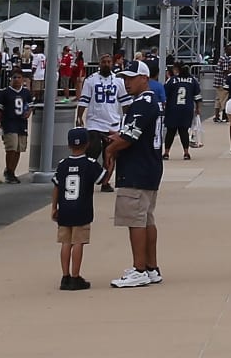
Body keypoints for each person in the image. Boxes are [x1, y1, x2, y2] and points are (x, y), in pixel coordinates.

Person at [105, 60, 165, 287]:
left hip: (137, 169)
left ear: (144, 78)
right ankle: (151, 267)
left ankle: (139, 269)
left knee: (135, 220)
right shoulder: (152, 102)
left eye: (130, 78)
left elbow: (130, 137)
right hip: (150, 166)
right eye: (124, 78)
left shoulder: (143, 103)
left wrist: (110, 149)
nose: (126, 82)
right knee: (146, 218)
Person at [52, 127, 107, 290]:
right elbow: (103, 179)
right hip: (82, 209)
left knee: (65, 242)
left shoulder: (63, 164)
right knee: (78, 243)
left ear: (69, 145)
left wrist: (54, 207)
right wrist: (110, 162)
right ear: (88, 144)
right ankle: (76, 277)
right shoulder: (89, 164)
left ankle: (65, 276)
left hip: (65, 209)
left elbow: (56, 187)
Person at [76, 51, 126, 188]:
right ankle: (89, 177)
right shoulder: (91, 80)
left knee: (110, 155)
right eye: (104, 62)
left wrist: (127, 120)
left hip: (113, 123)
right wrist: (79, 116)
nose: (106, 64)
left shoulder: (118, 80)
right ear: (99, 64)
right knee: (93, 150)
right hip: (95, 122)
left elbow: (125, 102)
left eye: (109, 62)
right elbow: (84, 100)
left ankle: (105, 181)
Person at [0, 68, 34, 183]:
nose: (17, 80)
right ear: (10, 79)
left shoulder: (26, 93)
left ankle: (12, 170)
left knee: (19, 148)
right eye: (14, 77)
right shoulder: (5, 93)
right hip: (9, 123)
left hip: (21, 123)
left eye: (19, 77)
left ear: (23, 79)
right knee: (11, 147)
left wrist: (28, 112)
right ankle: (9, 171)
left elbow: (30, 105)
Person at [162, 62, 201, 160]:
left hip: (173, 108)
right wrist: (198, 108)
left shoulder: (172, 80)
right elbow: (197, 96)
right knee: (184, 131)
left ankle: (166, 153)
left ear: (177, 70)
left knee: (171, 131)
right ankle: (186, 152)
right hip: (187, 108)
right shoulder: (192, 80)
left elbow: (165, 95)